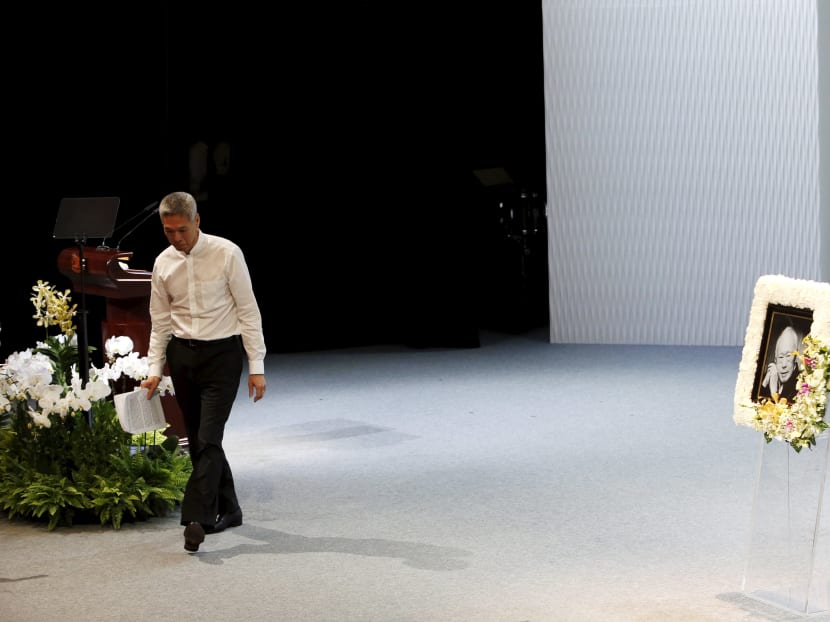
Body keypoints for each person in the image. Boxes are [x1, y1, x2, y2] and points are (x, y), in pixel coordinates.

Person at [140, 191, 267, 552]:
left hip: (222, 356)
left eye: (182, 229)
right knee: (199, 440)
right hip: (183, 357)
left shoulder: (227, 253)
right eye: (168, 231)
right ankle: (231, 508)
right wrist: (154, 367)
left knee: (209, 437)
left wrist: (256, 366)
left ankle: (195, 518)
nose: (176, 238)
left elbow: (248, 310)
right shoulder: (163, 263)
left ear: (197, 221)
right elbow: (159, 320)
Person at [760, 324, 801, 401]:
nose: (784, 365)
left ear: (795, 357)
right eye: (781, 357)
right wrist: (764, 383)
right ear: (775, 359)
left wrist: (773, 392)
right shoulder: (767, 376)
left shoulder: (801, 385)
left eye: (788, 356)